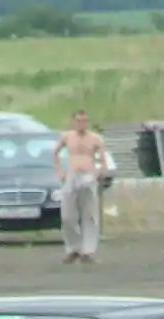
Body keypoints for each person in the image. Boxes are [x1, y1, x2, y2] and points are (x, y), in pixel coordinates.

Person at [52, 109, 107, 265]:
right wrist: (60, 171)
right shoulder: (67, 137)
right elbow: (55, 152)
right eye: (78, 121)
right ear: (73, 122)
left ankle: (88, 251)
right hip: (72, 176)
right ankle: (73, 249)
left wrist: (96, 175)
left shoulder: (95, 138)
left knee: (89, 215)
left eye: (84, 121)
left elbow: (103, 160)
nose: (81, 124)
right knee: (67, 215)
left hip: (88, 175)